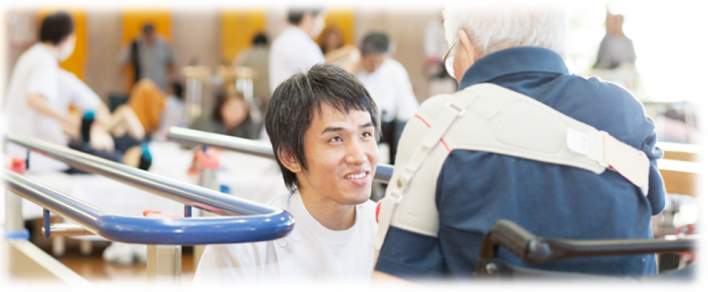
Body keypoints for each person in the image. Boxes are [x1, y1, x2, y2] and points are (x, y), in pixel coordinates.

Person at [372, 3, 665, 281]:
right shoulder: (625, 111)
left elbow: (397, 278)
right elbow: (656, 204)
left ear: (468, 45)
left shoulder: (438, 124)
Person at [193, 64, 380, 283]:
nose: (359, 156)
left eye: (366, 134)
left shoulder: (391, 233)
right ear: (290, 156)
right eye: (336, 139)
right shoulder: (244, 244)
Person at [2, 11, 146, 171]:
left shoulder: (34, 56)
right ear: (67, 38)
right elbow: (34, 99)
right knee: (111, 160)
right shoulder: (44, 60)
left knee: (108, 154)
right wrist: (67, 119)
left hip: (27, 146)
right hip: (34, 153)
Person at [355, 31, 419, 164]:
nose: (376, 66)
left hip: (389, 125)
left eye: (380, 62)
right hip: (360, 124)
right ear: (361, 55)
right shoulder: (353, 70)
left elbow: (407, 110)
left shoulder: (394, 70)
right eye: (372, 62)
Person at [268, 8, 326, 93]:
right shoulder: (306, 44)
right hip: (302, 104)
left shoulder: (279, 40)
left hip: (282, 102)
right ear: (307, 17)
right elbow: (323, 82)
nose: (323, 24)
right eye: (321, 18)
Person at [189, 85, 261, 140]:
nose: (237, 113)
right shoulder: (207, 122)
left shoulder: (248, 124)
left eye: (241, 109)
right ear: (221, 108)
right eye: (233, 109)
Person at [121, 22, 176, 91]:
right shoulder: (136, 44)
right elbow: (123, 60)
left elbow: (172, 62)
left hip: (160, 83)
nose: (149, 37)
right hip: (142, 83)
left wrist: (170, 79)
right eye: (146, 34)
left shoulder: (163, 44)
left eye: (150, 34)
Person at [234, 33, 271, 114]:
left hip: (250, 94)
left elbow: (235, 72)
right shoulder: (271, 55)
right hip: (269, 94)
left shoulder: (245, 54)